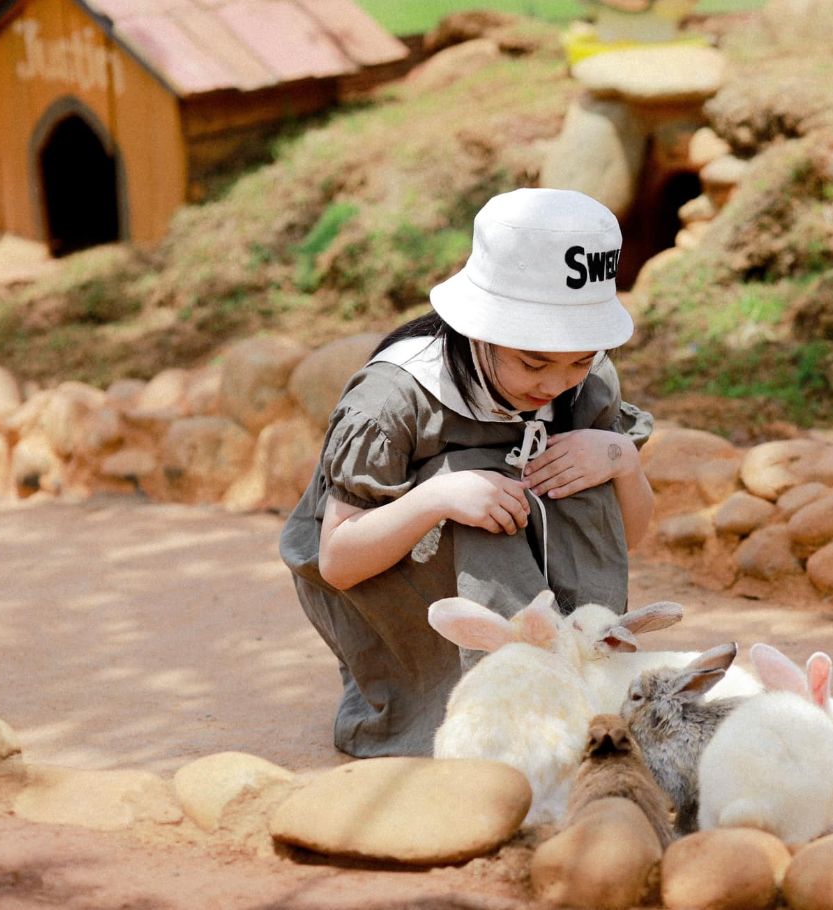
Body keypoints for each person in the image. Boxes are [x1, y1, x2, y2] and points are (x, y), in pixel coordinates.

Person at [279, 187, 655, 758]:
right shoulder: (393, 397)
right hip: (395, 575)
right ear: (480, 329)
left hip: (518, 561)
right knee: (475, 483)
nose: (555, 384)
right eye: (533, 362)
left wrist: (619, 459)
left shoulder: (585, 383)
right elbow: (337, 561)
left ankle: (583, 677)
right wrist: (438, 497)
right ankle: (497, 706)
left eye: (579, 358)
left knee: (586, 458)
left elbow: (626, 536)